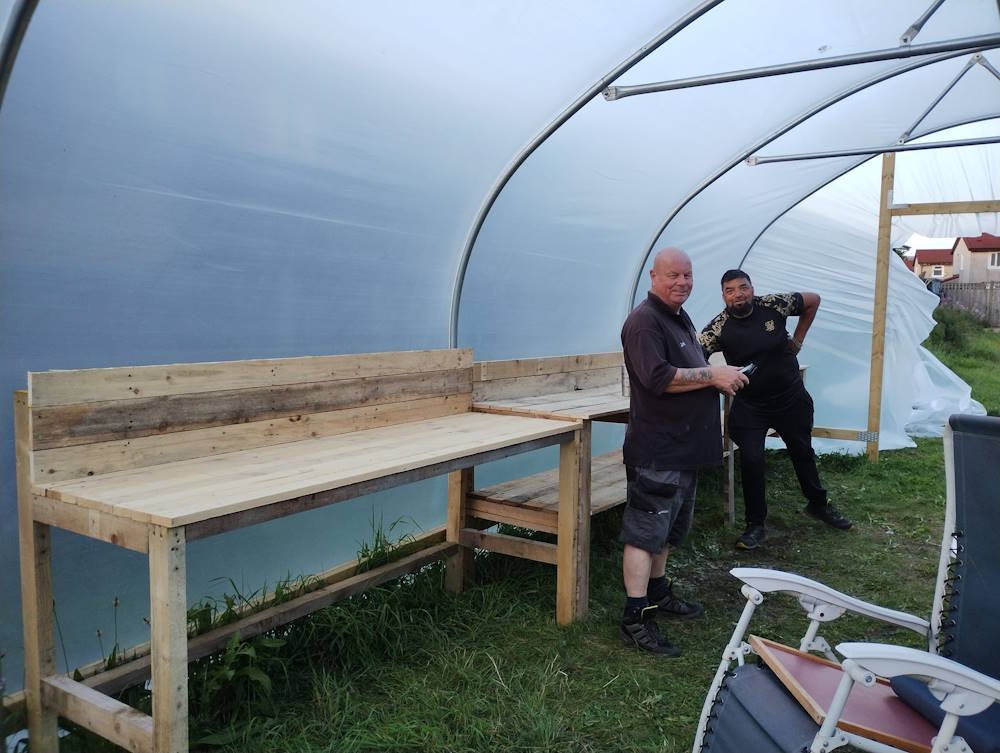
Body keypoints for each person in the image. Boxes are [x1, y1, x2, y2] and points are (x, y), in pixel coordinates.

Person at [619, 248, 748, 656]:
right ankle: (635, 617)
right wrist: (713, 375)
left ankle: (658, 592)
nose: (682, 282)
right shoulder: (644, 322)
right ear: (653, 277)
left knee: (667, 532)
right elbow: (657, 377)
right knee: (644, 534)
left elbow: (689, 368)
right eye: (673, 275)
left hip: (683, 449)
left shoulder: (679, 317)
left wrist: (718, 377)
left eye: (688, 275)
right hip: (658, 450)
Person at [699, 269, 852, 552]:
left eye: (743, 287)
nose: (738, 294)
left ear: (752, 288)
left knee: (802, 451)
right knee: (752, 460)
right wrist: (716, 377)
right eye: (730, 291)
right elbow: (695, 356)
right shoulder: (717, 328)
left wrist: (798, 340)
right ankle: (755, 526)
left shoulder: (773, 304)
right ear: (723, 296)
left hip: (790, 398)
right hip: (751, 406)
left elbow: (813, 300)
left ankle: (818, 504)